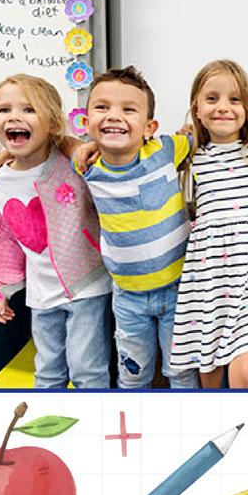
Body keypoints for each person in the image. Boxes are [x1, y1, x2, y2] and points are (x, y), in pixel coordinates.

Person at [0, 74, 112, 389]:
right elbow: (6, 241)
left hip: (88, 286)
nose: (14, 116)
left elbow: (104, 158)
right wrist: (2, 289)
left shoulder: (73, 163)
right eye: (4, 110)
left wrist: (70, 143)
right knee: (48, 372)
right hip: (41, 295)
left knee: (87, 371)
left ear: (52, 124)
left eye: (28, 110)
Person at [73, 66, 201, 389]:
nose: (114, 116)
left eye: (128, 109)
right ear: (87, 123)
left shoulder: (165, 150)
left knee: (183, 374)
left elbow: (207, 131)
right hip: (128, 297)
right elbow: (49, 142)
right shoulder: (86, 166)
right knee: (133, 376)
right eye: (102, 108)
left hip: (178, 290)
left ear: (150, 127)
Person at [168, 60, 248, 389]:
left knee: (247, 374)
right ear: (196, 108)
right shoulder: (190, 154)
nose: (223, 107)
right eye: (212, 98)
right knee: (209, 377)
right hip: (208, 282)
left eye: (235, 99)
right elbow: (129, 152)